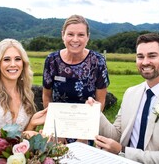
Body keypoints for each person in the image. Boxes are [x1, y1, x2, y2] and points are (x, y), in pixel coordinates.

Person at [88, 33, 159, 163]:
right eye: (140, 57)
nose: (145, 62)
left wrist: (122, 151)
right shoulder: (131, 93)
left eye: (152, 56)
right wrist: (96, 112)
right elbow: (117, 135)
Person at [42, 15, 110, 144]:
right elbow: (46, 97)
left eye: (81, 35)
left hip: (86, 128)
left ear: (87, 37)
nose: (75, 39)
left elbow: (101, 101)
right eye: (70, 34)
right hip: (58, 128)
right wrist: (57, 132)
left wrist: (83, 136)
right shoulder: (52, 60)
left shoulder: (97, 61)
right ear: (63, 35)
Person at [0, 38, 47, 142]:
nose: (13, 64)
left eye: (18, 59)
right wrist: (23, 136)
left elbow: (21, 142)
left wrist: (32, 123)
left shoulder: (26, 92)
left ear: (23, 64)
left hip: (15, 157)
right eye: (6, 59)